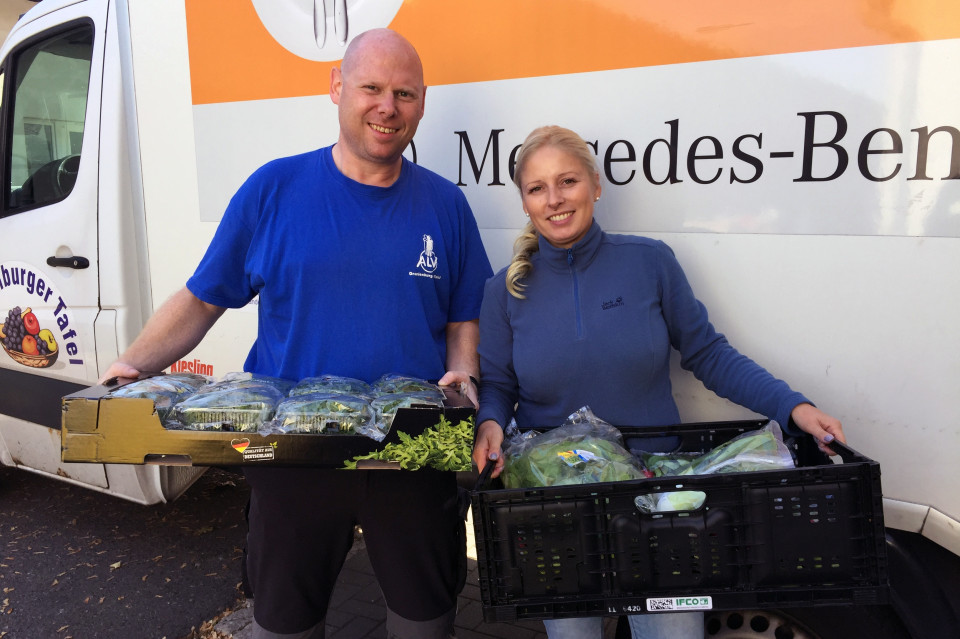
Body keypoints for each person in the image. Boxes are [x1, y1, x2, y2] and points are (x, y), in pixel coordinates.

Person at [101, 29, 493, 639]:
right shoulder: (274, 190)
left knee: (426, 620)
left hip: (411, 453)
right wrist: (132, 366)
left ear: (422, 103)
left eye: (405, 93)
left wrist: (463, 375)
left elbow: (463, 314)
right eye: (371, 88)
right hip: (291, 456)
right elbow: (203, 298)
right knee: (286, 623)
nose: (388, 107)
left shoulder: (445, 205)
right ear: (337, 88)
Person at [471, 125, 845, 639]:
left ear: (596, 186)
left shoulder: (649, 262)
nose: (555, 200)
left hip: (658, 498)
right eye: (537, 188)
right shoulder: (503, 290)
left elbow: (709, 353)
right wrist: (490, 421)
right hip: (555, 503)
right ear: (524, 201)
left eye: (568, 181)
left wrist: (793, 407)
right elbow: (497, 384)